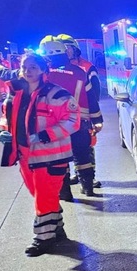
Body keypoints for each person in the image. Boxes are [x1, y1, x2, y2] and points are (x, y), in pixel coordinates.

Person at [0, 52, 80, 256]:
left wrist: (46, 135)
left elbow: (73, 120)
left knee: (44, 196)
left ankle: (43, 239)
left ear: (42, 70)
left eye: (33, 67)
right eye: (24, 67)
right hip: (24, 155)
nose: (27, 71)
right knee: (40, 195)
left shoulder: (57, 94)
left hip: (51, 156)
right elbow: (6, 117)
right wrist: (1, 130)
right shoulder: (15, 94)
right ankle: (56, 229)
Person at [38, 35, 99, 198]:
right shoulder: (79, 72)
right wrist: (97, 120)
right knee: (83, 156)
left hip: (54, 127)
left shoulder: (43, 75)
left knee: (59, 158)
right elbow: (91, 97)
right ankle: (88, 188)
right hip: (78, 123)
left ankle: (65, 193)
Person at [55, 34, 104, 190]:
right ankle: (71, 178)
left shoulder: (86, 67)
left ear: (75, 50)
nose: (66, 51)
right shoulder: (56, 68)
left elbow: (94, 94)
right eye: (64, 49)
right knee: (65, 151)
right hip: (63, 120)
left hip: (82, 117)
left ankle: (89, 178)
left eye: (68, 48)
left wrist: (94, 118)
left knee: (86, 149)